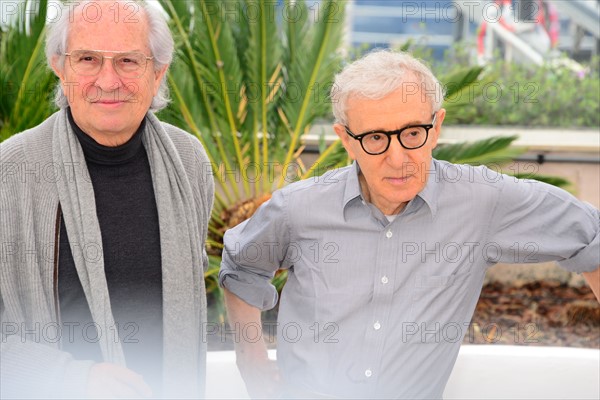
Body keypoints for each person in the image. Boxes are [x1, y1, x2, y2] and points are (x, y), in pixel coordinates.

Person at [219, 49, 600, 399]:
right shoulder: (299, 208)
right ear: (346, 140)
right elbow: (241, 266)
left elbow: (590, 235)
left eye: (412, 133)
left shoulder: (482, 201)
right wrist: (251, 363)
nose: (398, 158)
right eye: (375, 138)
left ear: (436, 127)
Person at [0, 1, 214, 398]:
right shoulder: (9, 173)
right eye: (87, 59)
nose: (108, 80)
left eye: (129, 61)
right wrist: (70, 378)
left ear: (158, 72)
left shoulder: (188, 162)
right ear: (59, 67)